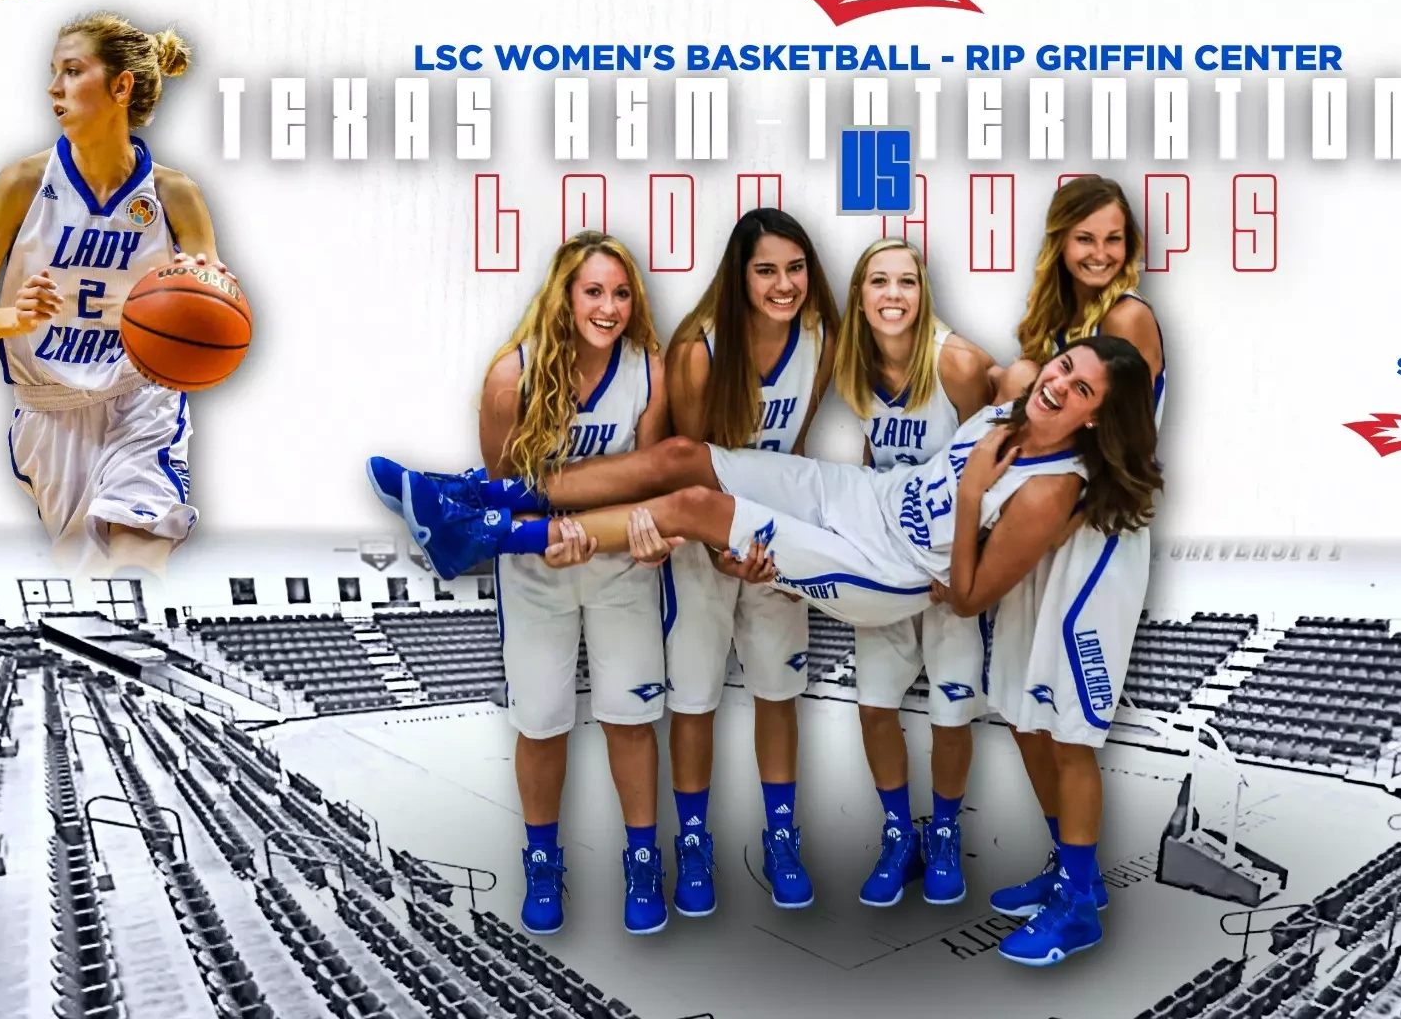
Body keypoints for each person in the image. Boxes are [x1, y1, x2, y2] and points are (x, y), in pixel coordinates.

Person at [372, 334, 1160, 635]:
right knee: (685, 453)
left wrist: (965, 498)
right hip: (866, 499)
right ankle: (493, 494)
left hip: (890, 573)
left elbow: (968, 597)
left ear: (1096, 418)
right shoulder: (1015, 393)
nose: (1061, 386)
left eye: (1084, 391)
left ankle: (487, 538)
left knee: (695, 509)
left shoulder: (1051, 490)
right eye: (1066, 367)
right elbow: (957, 351)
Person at [372, 233, 673, 936]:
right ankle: (543, 860)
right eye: (594, 291)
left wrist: (627, 535)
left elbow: (651, 478)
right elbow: (511, 497)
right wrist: (547, 533)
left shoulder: (648, 371)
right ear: (564, 295)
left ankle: (642, 861)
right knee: (541, 723)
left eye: (621, 293)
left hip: (619, 567)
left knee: (631, 720)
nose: (609, 306)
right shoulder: (512, 375)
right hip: (538, 576)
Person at [0, 12, 232, 573]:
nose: (53, 88)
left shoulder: (175, 195)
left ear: (120, 87)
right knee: (85, 576)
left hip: (141, 394)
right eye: (53, 73)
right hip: (49, 409)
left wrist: (208, 291)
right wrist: (14, 317)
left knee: (134, 557)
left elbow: (215, 299)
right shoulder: (22, 184)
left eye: (72, 72)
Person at [986, 176, 1167, 967]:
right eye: (1085, 237)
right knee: (1026, 714)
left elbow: (1119, 442)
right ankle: (1072, 872)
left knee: (1068, 730)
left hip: (1096, 530)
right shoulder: (1055, 323)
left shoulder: (1128, 318)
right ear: (1061, 240)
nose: (1100, 253)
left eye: (1114, 239)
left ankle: (1082, 907)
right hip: (1045, 525)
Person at [829, 238, 998, 907]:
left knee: (952, 713)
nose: (892, 294)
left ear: (924, 292)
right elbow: (876, 453)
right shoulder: (856, 368)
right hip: (891, 568)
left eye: (906, 281)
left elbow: (1005, 464)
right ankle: (900, 833)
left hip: (947, 575)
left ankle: (946, 833)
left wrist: (968, 568)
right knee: (874, 706)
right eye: (879, 281)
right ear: (861, 294)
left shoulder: (955, 363)